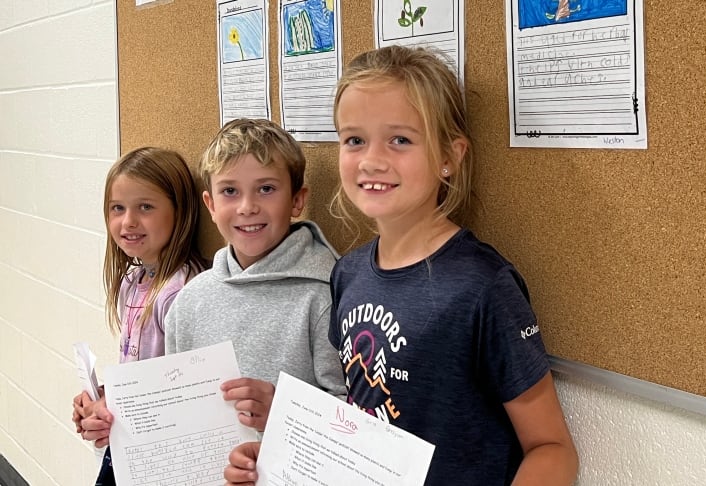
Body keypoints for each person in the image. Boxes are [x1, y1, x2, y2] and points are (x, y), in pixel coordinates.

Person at [224, 46, 579, 486]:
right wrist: (286, 441)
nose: (371, 160)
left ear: (450, 156)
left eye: (400, 140)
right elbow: (362, 421)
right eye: (354, 139)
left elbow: (552, 449)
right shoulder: (348, 273)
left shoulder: (482, 286)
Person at [164, 118, 345, 434]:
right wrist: (113, 418)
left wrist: (285, 411)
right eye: (230, 191)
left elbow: (353, 416)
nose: (247, 207)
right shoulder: (189, 301)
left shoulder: (324, 296)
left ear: (297, 200)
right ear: (211, 204)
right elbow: (174, 405)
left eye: (266, 189)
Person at [71, 147, 207, 483]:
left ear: (180, 212)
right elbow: (140, 373)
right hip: (132, 443)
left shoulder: (179, 292)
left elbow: (187, 393)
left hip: (161, 456)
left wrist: (117, 412)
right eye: (118, 208)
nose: (128, 221)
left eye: (145, 207)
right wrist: (102, 400)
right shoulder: (135, 280)